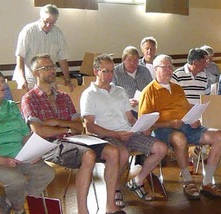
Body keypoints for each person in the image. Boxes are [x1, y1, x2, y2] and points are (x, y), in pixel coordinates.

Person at [20, 54, 125, 214]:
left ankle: (110, 205)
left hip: (76, 139)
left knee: (113, 151)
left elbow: (79, 126)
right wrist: (66, 128)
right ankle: (83, 210)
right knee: (88, 156)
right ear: (36, 73)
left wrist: (57, 122)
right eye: (46, 68)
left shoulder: (64, 96)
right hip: (49, 144)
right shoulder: (29, 98)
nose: (51, 70)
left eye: (52, 67)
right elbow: (40, 131)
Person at [139, 54, 221, 200]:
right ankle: (188, 181)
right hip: (163, 130)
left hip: (185, 126)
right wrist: (169, 124)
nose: (169, 70)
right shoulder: (149, 92)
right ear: (155, 69)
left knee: (220, 135)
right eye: (165, 67)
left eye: (170, 67)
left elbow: (186, 110)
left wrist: (194, 119)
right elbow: (145, 123)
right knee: (179, 138)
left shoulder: (177, 88)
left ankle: (207, 183)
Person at [81, 54, 167, 204]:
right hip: (106, 135)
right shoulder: (89, 94)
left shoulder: (119, 91)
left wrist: (142, 127)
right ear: (96, 72)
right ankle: (114, 189)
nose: (109, 75)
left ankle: (137, 181)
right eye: (105, 71)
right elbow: (90, 126)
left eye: (111, 71)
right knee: (123, 153)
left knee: (161, 148)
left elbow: (130, 118)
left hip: (128, 132)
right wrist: (116, 134)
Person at [0, 68, 55, 214]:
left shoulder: (10, 105)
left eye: (3, 81)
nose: (2, 85)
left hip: (19, 155)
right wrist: (2, 161)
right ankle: (19, 210)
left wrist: (33, 152)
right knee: (16, 180)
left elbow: (25, 134)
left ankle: (8, 201)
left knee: (47, 173)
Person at [14, 4, 72, 90]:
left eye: (52, 23)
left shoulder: (58, 34)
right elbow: (20, 56)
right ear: (41, 17)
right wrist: (22, 78)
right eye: (46, 21)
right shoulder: (28, 31)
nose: (48, 25)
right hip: (29, 77)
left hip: (49, 79)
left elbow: (62, 59)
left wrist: (67, 79)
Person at [113, 46, 153, 117]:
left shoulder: (144, 71)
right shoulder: (115, 73)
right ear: (123, 60)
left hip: (146, 107)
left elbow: (152, 90)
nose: (132, 63)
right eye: (129, 60)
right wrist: (126, 102)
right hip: (125, 111)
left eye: (135, 60)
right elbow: (111, 95)